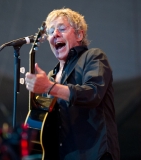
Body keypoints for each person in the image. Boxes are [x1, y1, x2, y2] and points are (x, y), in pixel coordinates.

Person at [25, 8, 120, 160]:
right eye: (50, 32)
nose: (54, 34)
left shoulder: (93, 57)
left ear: (79, 34)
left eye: (61, 29)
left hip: (94, 154)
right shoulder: (51, 76)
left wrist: (50, 87)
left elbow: (92, 94)